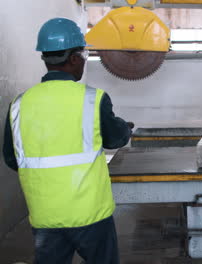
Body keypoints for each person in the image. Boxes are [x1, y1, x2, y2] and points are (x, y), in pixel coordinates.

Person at [2, 18, 133, 264]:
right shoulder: (93, 99)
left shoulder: (18, 105)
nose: (84, 60)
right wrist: (126, 129)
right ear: (73, 59)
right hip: (91, 215)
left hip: (45, 216)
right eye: (83, 54)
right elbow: (115, 138)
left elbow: (12, 158)